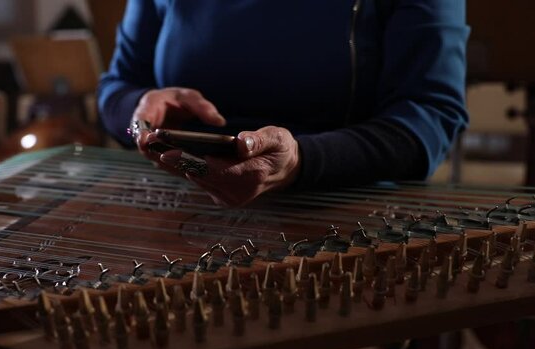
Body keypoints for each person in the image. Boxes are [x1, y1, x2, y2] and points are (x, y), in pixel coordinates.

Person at [97, 0, 469, 207]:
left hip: (336, 211)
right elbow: (117, 88)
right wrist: (139, 113)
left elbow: (429, 117)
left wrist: (299, 162)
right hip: (176, 202)